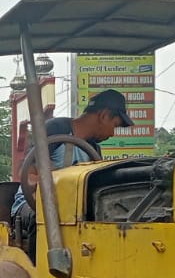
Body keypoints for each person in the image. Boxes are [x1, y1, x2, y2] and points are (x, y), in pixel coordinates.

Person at [11, 88, 133, 216]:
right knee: (45, 218)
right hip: (30, 205)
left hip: (69, 211)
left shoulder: (93, 150)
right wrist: (61, 186)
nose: (113, 134)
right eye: (114, 125)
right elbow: (27, 174)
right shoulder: (55, 129)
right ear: (104, 115)